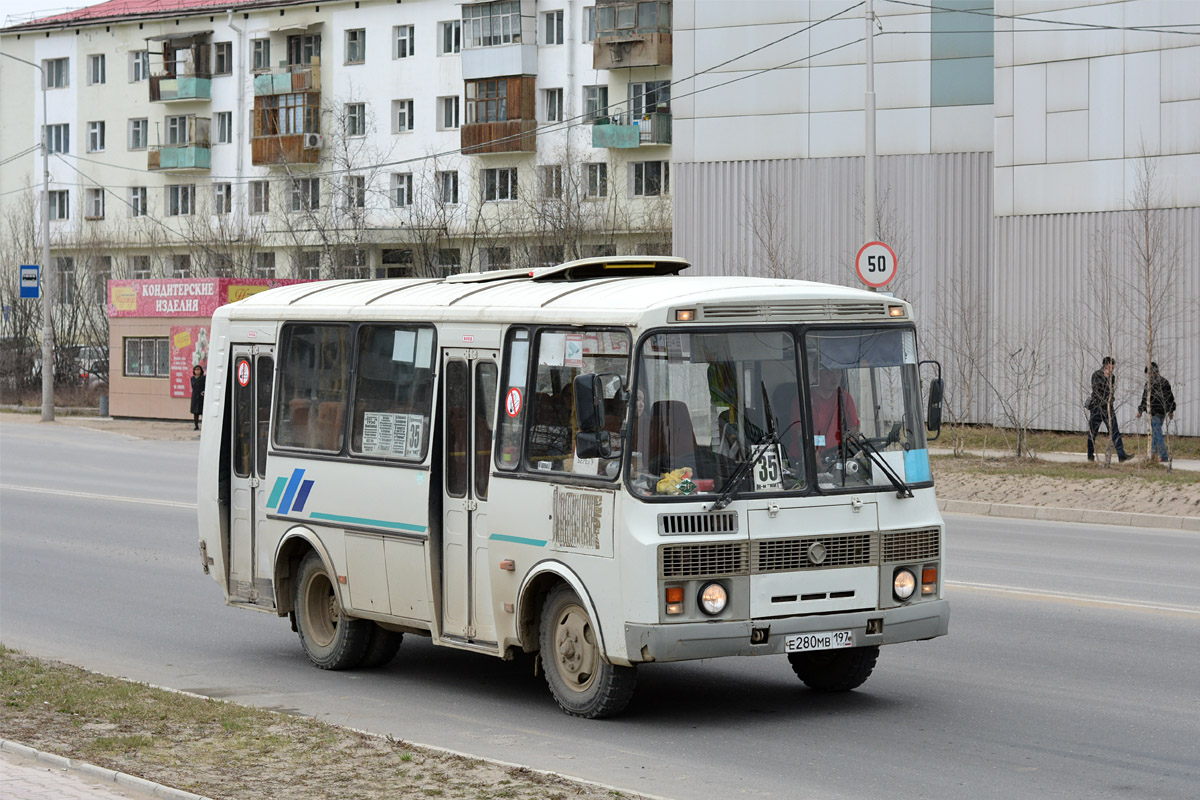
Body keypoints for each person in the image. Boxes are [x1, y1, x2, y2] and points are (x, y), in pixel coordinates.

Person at [1086, 356, 1132, 462]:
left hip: (1108, 408)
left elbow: (1111, 391)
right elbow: (1096, 390)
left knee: (1115, 431)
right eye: (1111, 366)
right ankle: (1090, 455)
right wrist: (1105, 400)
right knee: (1093, 432)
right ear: (1106, 365)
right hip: (1097, 407)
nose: (1113, 368)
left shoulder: (1113, 377)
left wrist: (1110, 400)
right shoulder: (1097, 375)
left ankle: (1121, 455)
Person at [810, 366, 860, 462]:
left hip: (837, 458)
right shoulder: (805, 399)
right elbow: (800, 435)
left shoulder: (845, 398)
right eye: (829, 373)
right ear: (816, 374)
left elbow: (853, 432)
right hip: (810, 462)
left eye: (838, 372)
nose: (835, 377)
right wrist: (816, 461)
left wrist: (847, 453)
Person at [1136, 362, 1176, 462]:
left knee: (1157, 433)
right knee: (1156, 433)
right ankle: (1153, 454)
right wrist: (1171, 411)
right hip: (1163, 412)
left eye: (1148, 374)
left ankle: (1164, 455)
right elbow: (1170, 398)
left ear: (1151, 372)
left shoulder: (1149, 384)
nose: (1147, 376)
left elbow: (1145, 399)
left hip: (1154, 412)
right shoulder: (1165, 382)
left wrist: (1140, 410)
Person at [190, 365, 206, 431]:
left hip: (201, 396)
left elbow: (205, 385)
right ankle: (196, 425)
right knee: (195, 413)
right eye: (196, 370)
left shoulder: (203, 378)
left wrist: (204, 391)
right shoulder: (192, 378)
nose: (197, 371)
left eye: (198, 370)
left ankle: (204, 426)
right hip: (195, 396)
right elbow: (193, 386)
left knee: (202, 411)